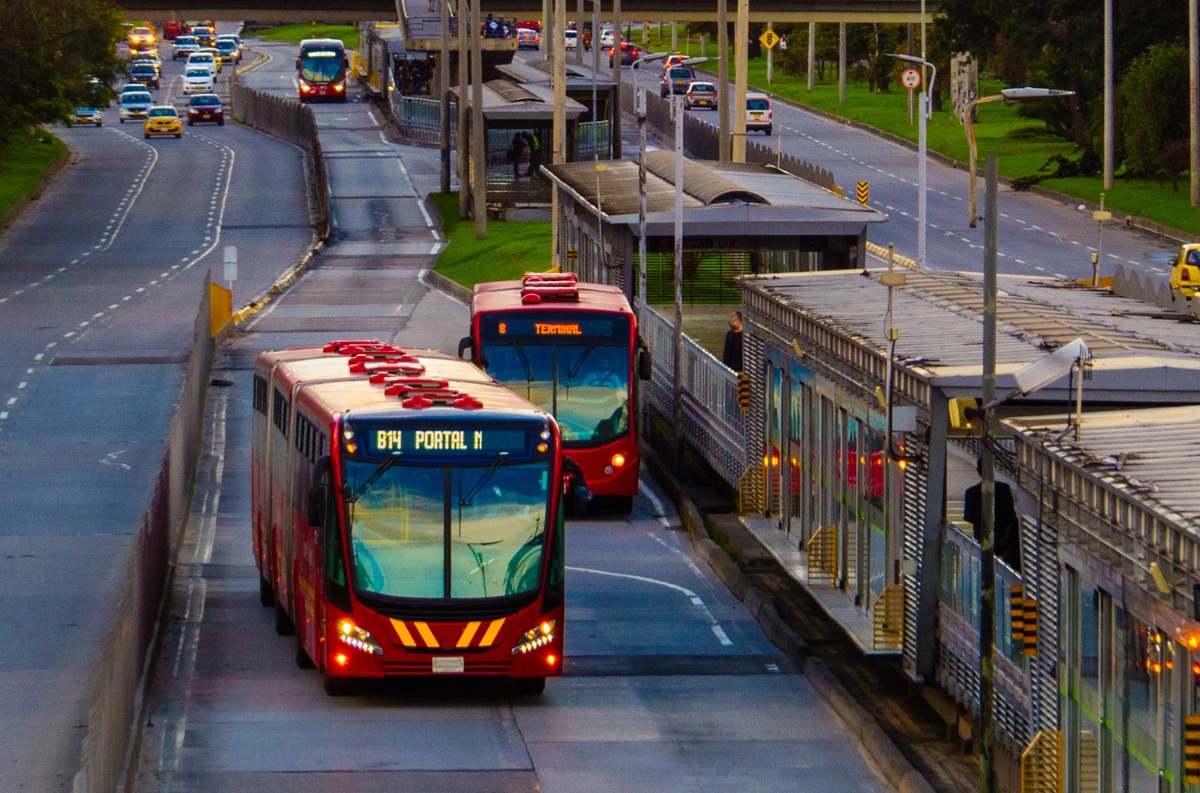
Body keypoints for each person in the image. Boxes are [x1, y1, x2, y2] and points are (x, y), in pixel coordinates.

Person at [963, 458, 1022, 571]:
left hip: (984, 541)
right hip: (1005, 541)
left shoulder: (971, 493)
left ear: (978, 471)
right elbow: (1011, 514)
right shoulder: (1004, 489)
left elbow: (968, 517)